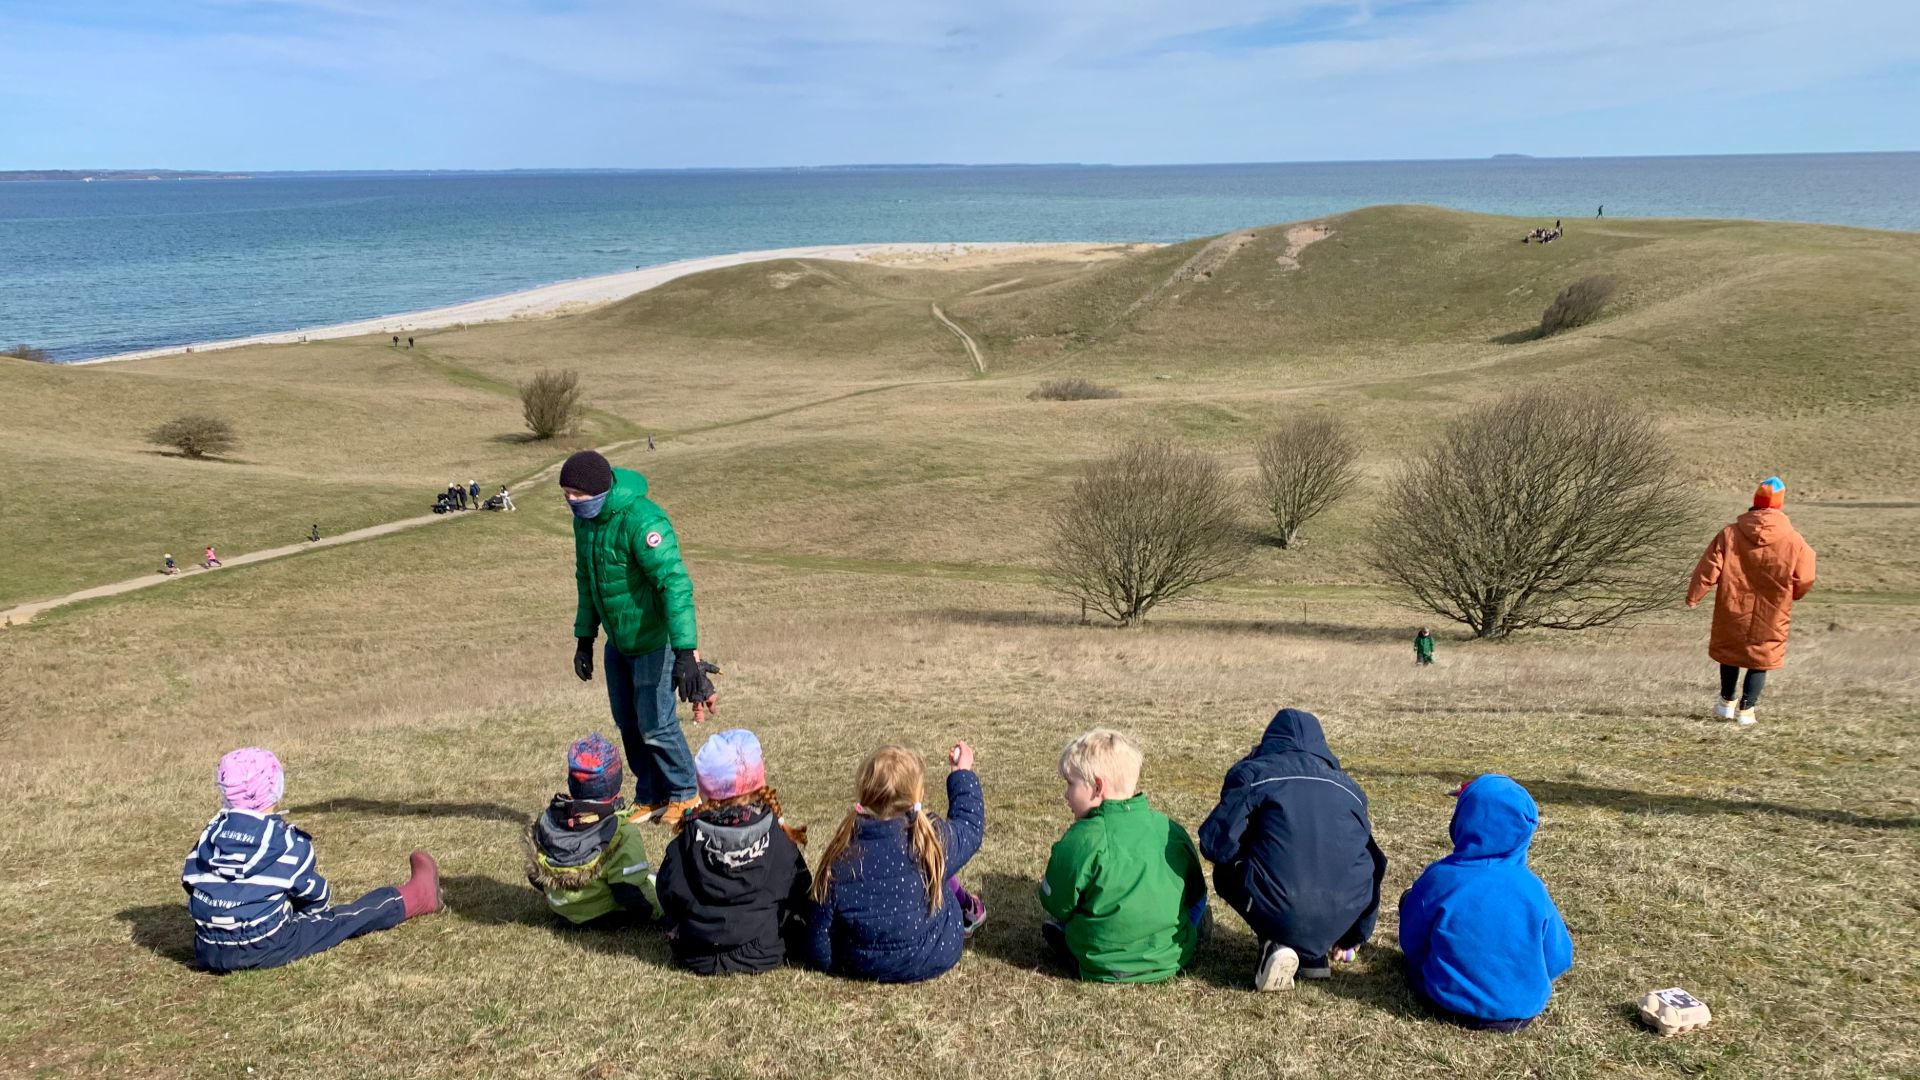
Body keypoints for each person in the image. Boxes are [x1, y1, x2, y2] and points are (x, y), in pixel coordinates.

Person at [182, 748, 443, 971]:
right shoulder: (287, 842)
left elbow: (190, 882)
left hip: (208, 948)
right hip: (265, 944)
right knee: (344, 919)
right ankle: (417, 896)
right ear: (276, 789)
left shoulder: (208, 836)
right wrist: (311, 914)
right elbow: (314, 895)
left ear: (224, 791)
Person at [560, 449, 715, 824]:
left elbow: (674, 583)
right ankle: (650, 795)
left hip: (652, 641)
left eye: (576, 494)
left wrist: (685, 651)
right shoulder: (586, 523)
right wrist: (585, 639)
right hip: (619, 641)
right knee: (628, 722)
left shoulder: (642, 519)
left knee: (657, 724)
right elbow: (588, 580)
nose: (570, 501)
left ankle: (686, 795)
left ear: (597, 490)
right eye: (565, 493)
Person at [1199, 709, 1387, 991]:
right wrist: (1355, 934)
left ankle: (1275, 942)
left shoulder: (1254, 774)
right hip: (1344, 908)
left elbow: (1215, 845)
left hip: (1281, 901)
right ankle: (1312, 955)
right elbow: (1376, 861)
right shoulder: (1351, 788)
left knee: (1228, 870)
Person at [1399, 775, 1572, 1033]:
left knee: (1410, 900)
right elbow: (1559, 957)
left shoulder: (1438, 879)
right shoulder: (1533, 889)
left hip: (1446, 1002)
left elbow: (1412, 943)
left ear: (1462, 820)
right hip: (1520, 1013)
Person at [1040, 729, 1209, 983]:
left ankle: (1076, 941)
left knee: (1071, 907)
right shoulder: (1171, 831)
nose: (1065, 795)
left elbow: (1054, 902)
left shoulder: (1080, 840)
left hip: (1101, 964)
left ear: (1097, 786)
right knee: (1201, 907)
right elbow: (1197, 892)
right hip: (1172, 958)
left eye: (1070, 784)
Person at [807, 743, 987, 982]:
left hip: (862, 964)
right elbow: (969, 826)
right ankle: (968, 910)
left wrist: (830, 962)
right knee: (941, 872)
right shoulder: (932, 841)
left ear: (864, 793)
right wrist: (961, 773)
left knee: (940, 869)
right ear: (918, 794)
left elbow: (819, 934)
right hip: (936, 953)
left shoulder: (841, 856)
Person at [653, 729, 811, 974]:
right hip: (764, 951)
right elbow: (799, 892)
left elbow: (667, 891)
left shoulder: (686, 841)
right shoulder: (778, 839)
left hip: (697, 953)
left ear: (704, 787)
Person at [1687, 476, 1816, 726]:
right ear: (1779, 505)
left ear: (1755, 502)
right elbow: (1806, 575)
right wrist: (1795, 592)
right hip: (1774, 608)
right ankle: (1747, 710)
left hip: (1732, 603)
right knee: (1762, 655)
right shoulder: (1794, 541)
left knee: (1730, 652)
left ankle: (1726, 703)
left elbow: (1708, 567)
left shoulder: (1730, 534)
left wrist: (1694, 596)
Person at [522, 733, 661, 925]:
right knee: (658, 881)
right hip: (605, 915)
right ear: (615, 781)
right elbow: (629, 889)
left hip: (561, 908)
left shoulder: (549, 819)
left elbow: (535, 876)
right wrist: (658, 911)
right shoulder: (621, 832)